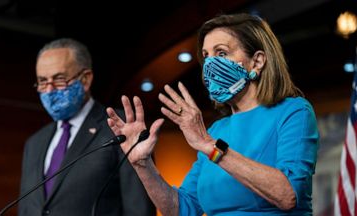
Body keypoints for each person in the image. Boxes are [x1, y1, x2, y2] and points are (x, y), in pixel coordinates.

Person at [106, 13, 319, 215]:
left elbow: (288, 195)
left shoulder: (293, 111)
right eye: (206, 56)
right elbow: (181, 210)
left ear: (257, 61)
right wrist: (142, 164)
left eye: (222, 53)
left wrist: (211, 146)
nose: (209, 64)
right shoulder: (218, 130)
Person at [18, 38, 156, 216]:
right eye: (43, 82)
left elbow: (139, 209)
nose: (49, 90)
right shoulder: (34, 143)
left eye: (59, 79)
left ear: (85, 79)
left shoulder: (121, 127)